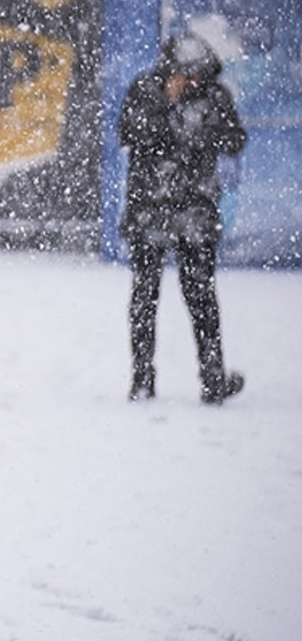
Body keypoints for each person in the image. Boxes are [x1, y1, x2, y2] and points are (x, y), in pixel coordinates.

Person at [118, 33, 247, 404]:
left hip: (195, 211)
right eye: (186, 75)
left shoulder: (214, 96)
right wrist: (167, 108)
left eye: (198, 76)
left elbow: (235, 139)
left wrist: (201, 129)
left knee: (201, 296)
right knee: (145, 295)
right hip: (150, 210)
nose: (192, 82)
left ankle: (212, 379)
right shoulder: (145, 91)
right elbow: (129, 133)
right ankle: (142, 378)